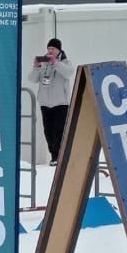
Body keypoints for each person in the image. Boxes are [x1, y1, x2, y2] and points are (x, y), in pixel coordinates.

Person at [28, 38, 77, 166]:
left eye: (53, 49)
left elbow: (68, 73)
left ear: (59, 50)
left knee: (59, 130)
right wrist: (36, 67)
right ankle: (54, 156)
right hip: (45, 103)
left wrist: (55, 63)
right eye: (48, 48)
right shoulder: (44, 63)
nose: (50, 51)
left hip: (61, 103)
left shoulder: (66, 62)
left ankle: (60, 156)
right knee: (48, 131)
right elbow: (32, 79)